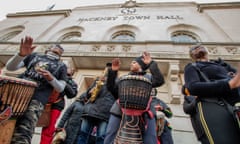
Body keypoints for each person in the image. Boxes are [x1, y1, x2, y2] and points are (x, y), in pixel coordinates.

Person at [6, 36, 68, 144]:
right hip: (18, 95)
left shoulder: (61, 66)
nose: (55, 52)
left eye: (58, 52)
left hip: (38, 99)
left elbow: (61, 87)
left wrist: (51, 78)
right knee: (6, 121)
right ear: (47, 49)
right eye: (53, 50)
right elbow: (10, 67)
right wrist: (20, 55)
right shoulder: (34, 56)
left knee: (25, 129)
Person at [183, 44, 240, 144]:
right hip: (216, 107)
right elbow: (193, 87)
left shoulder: (223, 65)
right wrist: (228, 84)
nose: (197, 47)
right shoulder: (192, 67)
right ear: (191, 55)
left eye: (200, 46)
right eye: (193, 49)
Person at [104, 51, 165, 144]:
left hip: (145, 112)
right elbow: (111, 88)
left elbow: (160, 81)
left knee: (150, 138)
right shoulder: (124, 78)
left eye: (134, 62)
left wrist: (151, 63)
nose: (131, 63)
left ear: (140, 65)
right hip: (120, 110)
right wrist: (113, 71)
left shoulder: (149, 77)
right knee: (111, 135)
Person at [77, 63, 116, 144]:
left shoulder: (116, 82)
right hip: (90, 110)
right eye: (106, 69)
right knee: (83, 134)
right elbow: (88, 95)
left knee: (101, 137)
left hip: (105, 112)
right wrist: (90, 91)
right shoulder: (98, 80)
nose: (107, 71)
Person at [40, 67, 78, 144]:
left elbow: (72, 94)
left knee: (49, 128)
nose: (70, 69)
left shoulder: (72, 83)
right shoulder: (54, 73)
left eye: (72, 69)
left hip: (56, 104)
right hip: (42, 101)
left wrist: (65, 81)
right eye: (68, 67)